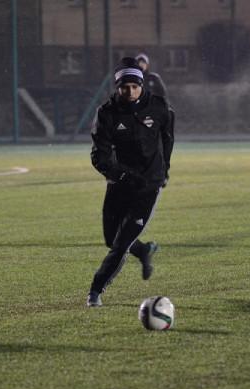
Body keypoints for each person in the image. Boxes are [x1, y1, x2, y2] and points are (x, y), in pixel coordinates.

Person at [87, 57, 174, 307]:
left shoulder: (158, 106)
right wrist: (122, 175)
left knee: (121, 244)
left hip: (149, 185)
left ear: (142, 84)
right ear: (117, 87)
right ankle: (144, 250)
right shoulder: (107, 114)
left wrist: (164, 169)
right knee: (111, 238)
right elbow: (98, 156)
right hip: (120, 184)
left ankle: (95, 291)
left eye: (135, 86)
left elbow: (168, 137)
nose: (131, 91)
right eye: (125, 87)